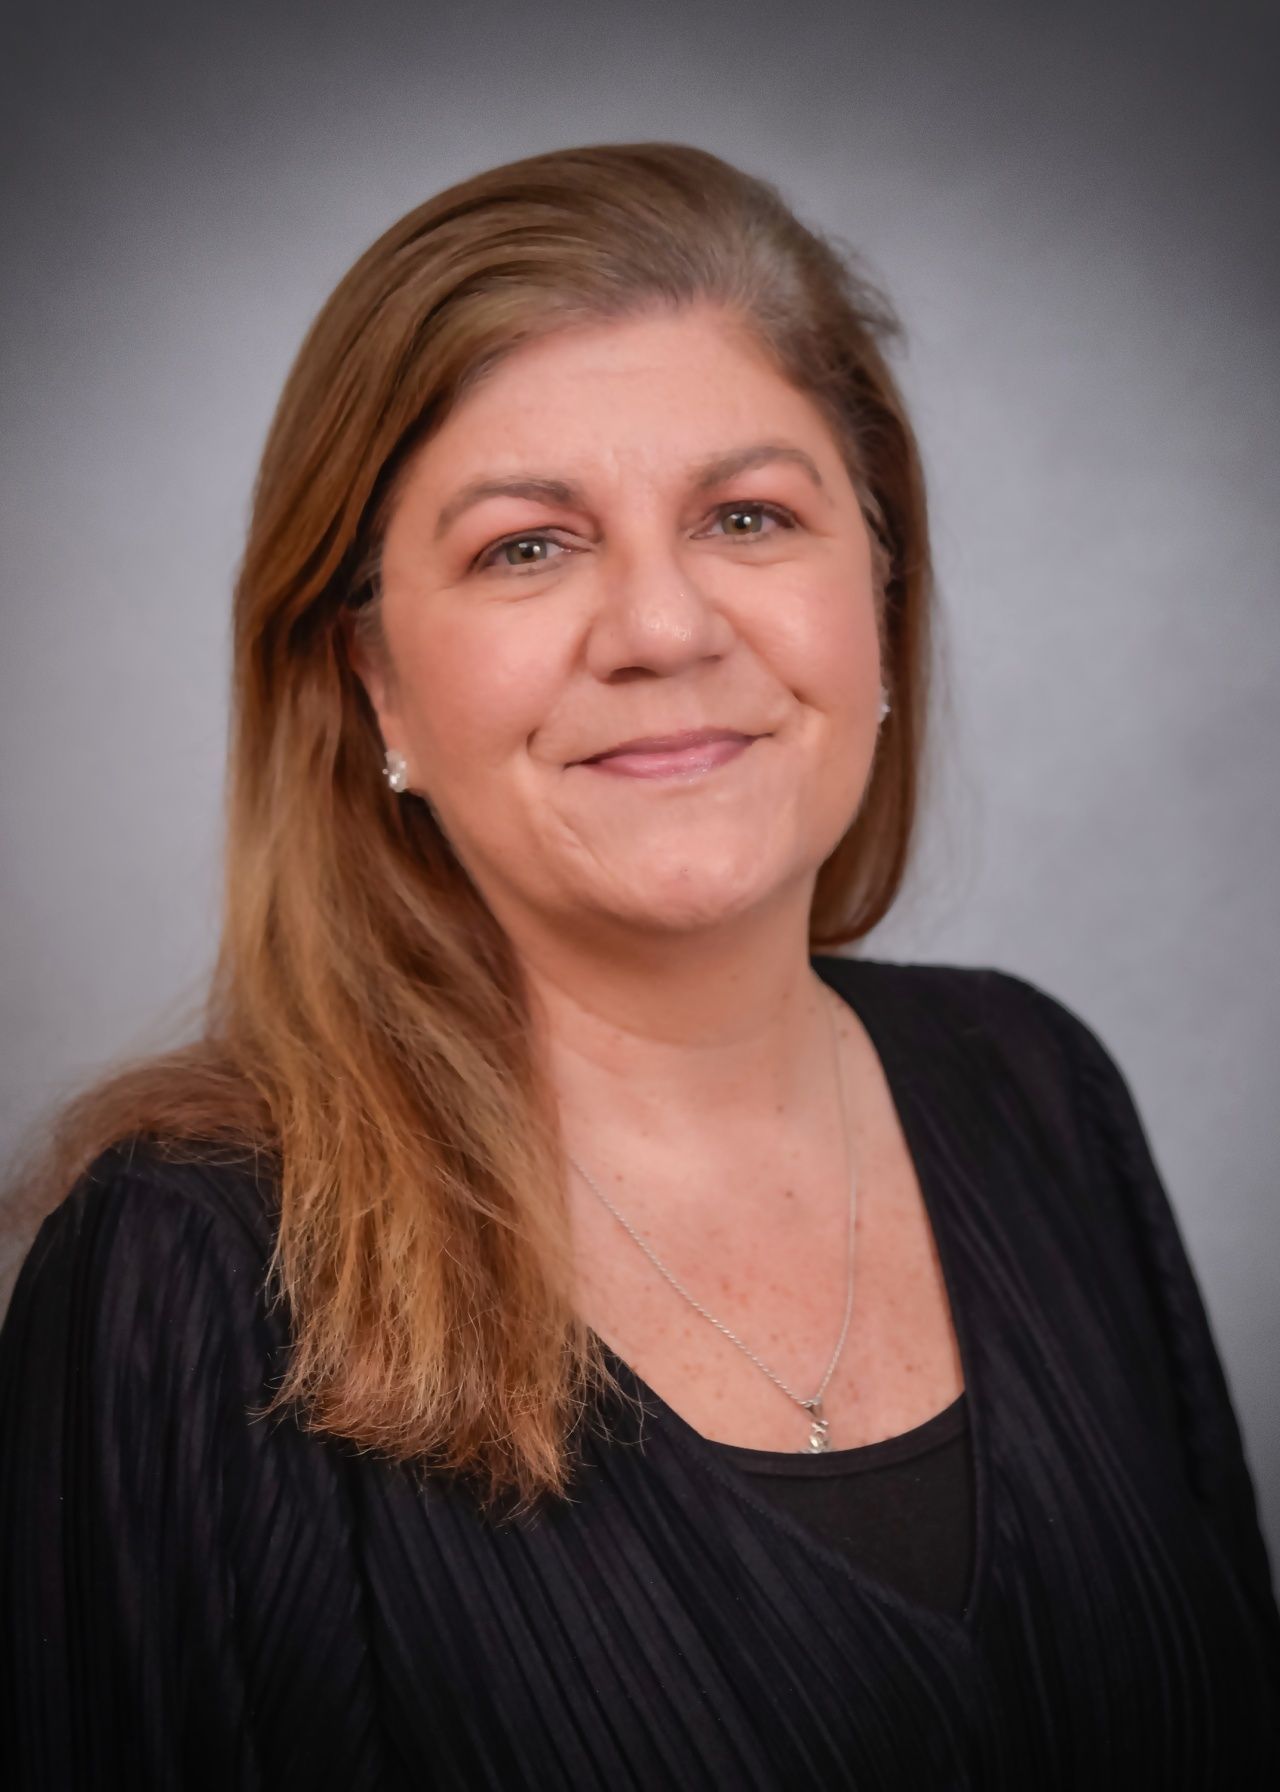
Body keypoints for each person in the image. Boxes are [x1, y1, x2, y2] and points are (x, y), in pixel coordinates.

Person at [1, 140, 1276, 1791]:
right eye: (528, 546)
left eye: (749, 517)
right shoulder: (180, 1272)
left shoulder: (1036, 1088)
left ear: (877, 601)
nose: (663, 628)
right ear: (375, 681)